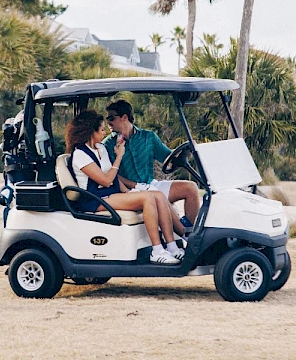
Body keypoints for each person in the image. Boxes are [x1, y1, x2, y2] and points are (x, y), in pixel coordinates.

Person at [65, 110, 184, 264]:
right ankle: (157, 250)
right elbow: (106, 181)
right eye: (101, 130)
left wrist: (129, 192)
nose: (104, 133)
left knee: (158, 195)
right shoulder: (80, 155)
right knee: (147, 198)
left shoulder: (100, 148)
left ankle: (172, 246)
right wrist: (119, 156)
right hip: (95, 199)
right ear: (90, 132)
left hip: (111, 194)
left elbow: (113, 177)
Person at [103, 100, 200, 229]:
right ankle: (182, 235)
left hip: (149, 184)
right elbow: (111, 174)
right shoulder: (108, 145)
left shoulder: (148, 137)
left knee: (191, 188)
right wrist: (135, 185)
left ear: (124, 117)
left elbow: (169, 157)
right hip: (128, 190)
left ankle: (193, 233)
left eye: (111, 118)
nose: (108, 122)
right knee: (159, 197)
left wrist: (188, 151)